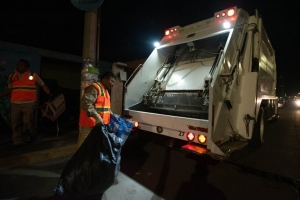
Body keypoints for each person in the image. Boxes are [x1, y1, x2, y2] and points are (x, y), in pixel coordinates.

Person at [0, 59, 53, 148]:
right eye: (18, 65)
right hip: (15, 103)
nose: (18, 67)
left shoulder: (33, 75)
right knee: (15, 123)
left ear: (26, 67)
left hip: (28, 103)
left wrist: (50, 94)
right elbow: (10, 90)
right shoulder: (12, 76)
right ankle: (17, 141)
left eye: (21, 65)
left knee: (28, 121)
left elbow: (43, 85)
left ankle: (31, 134)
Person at [78, 71, 116, 148]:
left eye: (114, 82)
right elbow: (86, 104)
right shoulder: (94, 88)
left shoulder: (105, 91)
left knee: (92, 148)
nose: (113, 84)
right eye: (111, 81)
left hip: (98, 126)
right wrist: (97, 117)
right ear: (105, 79)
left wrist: (112, 115)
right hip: (89, 125)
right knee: (83, 149)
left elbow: (106, 108)